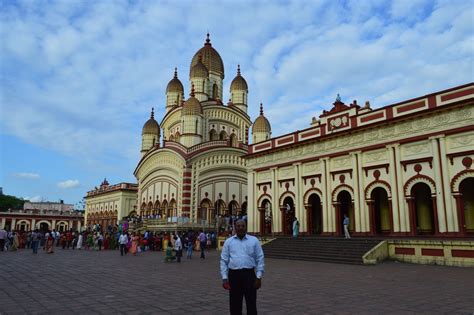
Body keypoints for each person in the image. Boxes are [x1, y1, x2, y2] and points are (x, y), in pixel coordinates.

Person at [220, 220, 264, 315]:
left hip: (249, 275)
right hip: (234, 275)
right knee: (235, 304)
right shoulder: (229, 242)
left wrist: (259, 277)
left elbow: (260, 258)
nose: (240, 228)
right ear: (235, 227)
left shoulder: (254, 241)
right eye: (238, 226)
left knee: (251, 302)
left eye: (243, 226)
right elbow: (224, 260)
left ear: (246, 227)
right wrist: (224, 278)